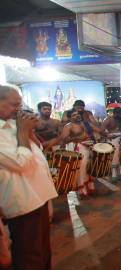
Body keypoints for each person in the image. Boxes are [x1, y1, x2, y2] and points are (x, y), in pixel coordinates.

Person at [0, 84, 58, 270]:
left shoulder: (12, 126)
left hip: (38, 197)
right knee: (29, 256)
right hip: (23, 202)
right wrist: (23, 132)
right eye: (13, 104)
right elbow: (20, 162)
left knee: (42, 252)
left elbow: (37, 151)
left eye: (20, 104)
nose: (19, 110)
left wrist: (29, 132)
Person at [46, 110, 105, 196]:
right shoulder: (68, 126)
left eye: (77, 114)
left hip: (91, 147)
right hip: (79, 147)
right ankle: (82, 190)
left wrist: (94, 121)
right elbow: (64, 139)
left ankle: (90, 187)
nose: (77, 116)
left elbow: (99, 130)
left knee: (90, 167)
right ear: (70, 118)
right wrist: (76, 138)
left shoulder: (86, 123)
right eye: (74, 115)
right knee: (82, 168)